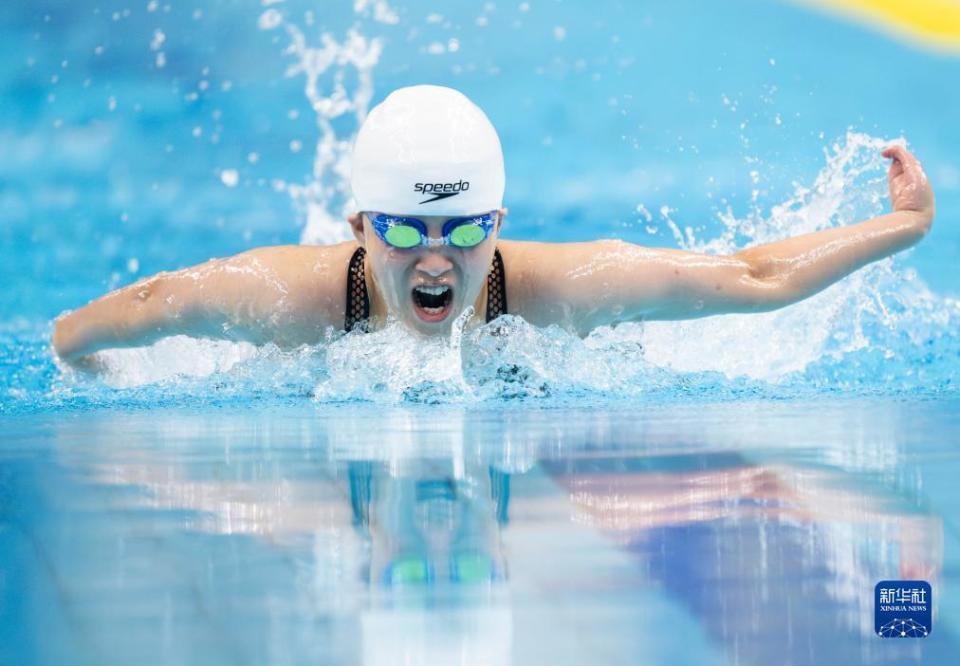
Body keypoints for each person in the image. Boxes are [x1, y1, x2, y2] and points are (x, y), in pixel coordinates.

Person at [52, 85, 935, 367]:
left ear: (499, 223)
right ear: (358, 226)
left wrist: (904, 226)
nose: (436, 257)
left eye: (464, 229)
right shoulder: (289, 299)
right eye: (403, 232)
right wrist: (77, 361)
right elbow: (141, 307)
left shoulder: (565, 288)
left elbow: (753, 280)